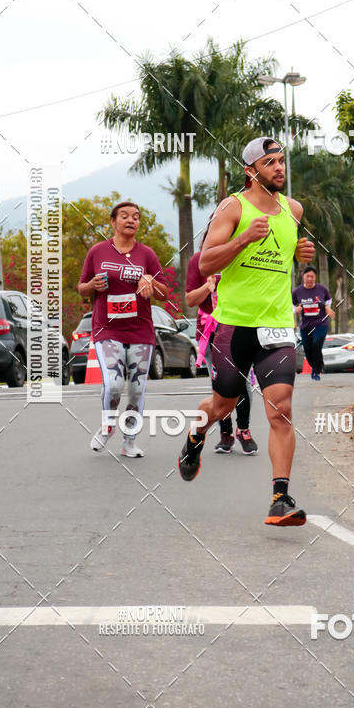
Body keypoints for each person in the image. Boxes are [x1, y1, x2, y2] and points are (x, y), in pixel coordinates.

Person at [177, 136, 315, 526]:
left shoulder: (294, 210)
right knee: (220, 407)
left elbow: (278, 253)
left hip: (276, 327)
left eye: (281, 161)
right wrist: (242, 238)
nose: (279, 168)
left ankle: (280, 499)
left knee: (281, 410)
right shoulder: (233, 207)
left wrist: (297, 254)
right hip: (234, 327)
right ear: (250, 171)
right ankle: (195, 438)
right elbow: (205, 264)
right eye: (270, 162)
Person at [78, 201, 170, 457]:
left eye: (136, 217)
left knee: (138, 388)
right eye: (125, 216)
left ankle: (130, 440)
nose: (131, 220)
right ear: (113, 222)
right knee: (115, 384)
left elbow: (164, 293)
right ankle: (108, 425)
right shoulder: (97, 252)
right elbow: (82, 287)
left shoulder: (147, 255)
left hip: (140, 331)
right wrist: (92, 285)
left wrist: (151, 281)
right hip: (107, 329)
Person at [186, 242, 256, 455]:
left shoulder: (242, 255)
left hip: (237, 327)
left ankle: (243, 429)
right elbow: (190, 300)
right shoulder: (198, 260)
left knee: (242, 381)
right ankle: (225, 433)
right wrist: (207, 288)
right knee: (220, 384)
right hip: (210, 330)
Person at [292, 266, 334, 380]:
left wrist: (327, 308)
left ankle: (316, 371)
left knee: (316, 345)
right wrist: (294, 310)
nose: (310, 279)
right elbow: (289, 304)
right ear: (303, 276)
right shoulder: (297, 291)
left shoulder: (322, 289)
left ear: (315, 277)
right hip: (305, 326)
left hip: (320, 324)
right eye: (307, 276)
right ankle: (318, 365)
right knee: (308, 350)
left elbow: (328, 300)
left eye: (312, 276)